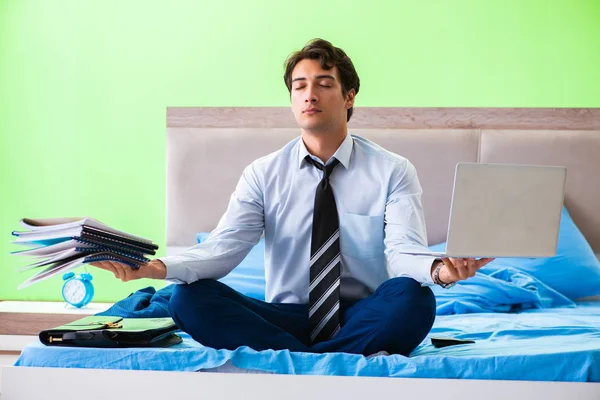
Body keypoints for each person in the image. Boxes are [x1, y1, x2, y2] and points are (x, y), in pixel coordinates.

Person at [91, 38, 494, 356]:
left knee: (414, 298)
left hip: (363, 315)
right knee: (189, 298)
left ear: (349, 96)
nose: (309, 95)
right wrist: (152, 269)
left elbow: (402, 252)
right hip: (281, 317)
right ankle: (325, 357)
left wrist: (441, 270)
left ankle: (302, 359)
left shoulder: (393, 170)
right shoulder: (263, 174)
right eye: (299, 86)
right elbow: (223, 250)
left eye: (324, 84)